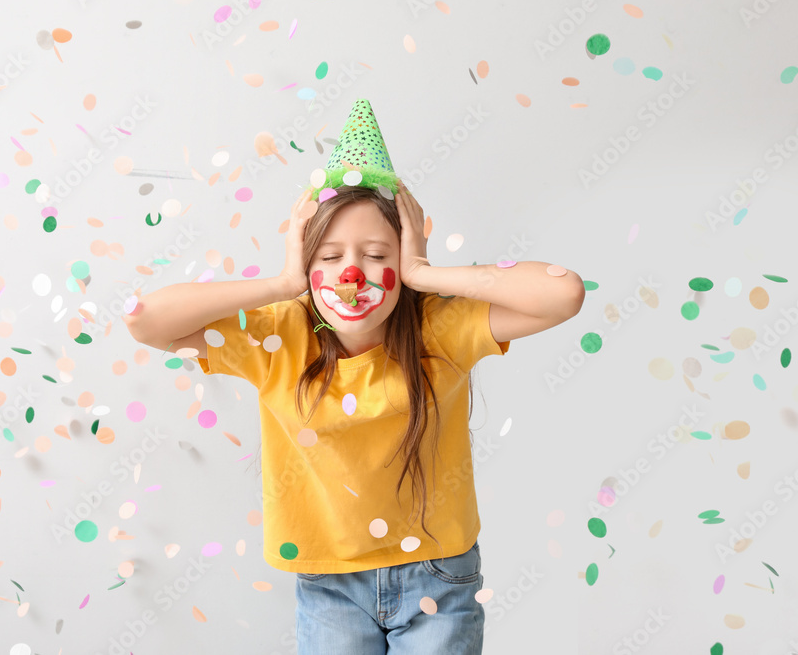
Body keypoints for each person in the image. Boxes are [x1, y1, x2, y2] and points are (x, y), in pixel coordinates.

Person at [124, 99, 585, 654]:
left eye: (375, 254)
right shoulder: (276, 337)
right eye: (329, 256)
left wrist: (425, 274)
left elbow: (563, 294)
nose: (350, 275)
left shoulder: (440, 329)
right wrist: (280, 283)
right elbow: (145, 321)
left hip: (437, 572)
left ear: (404, 254)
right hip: (330, 581)